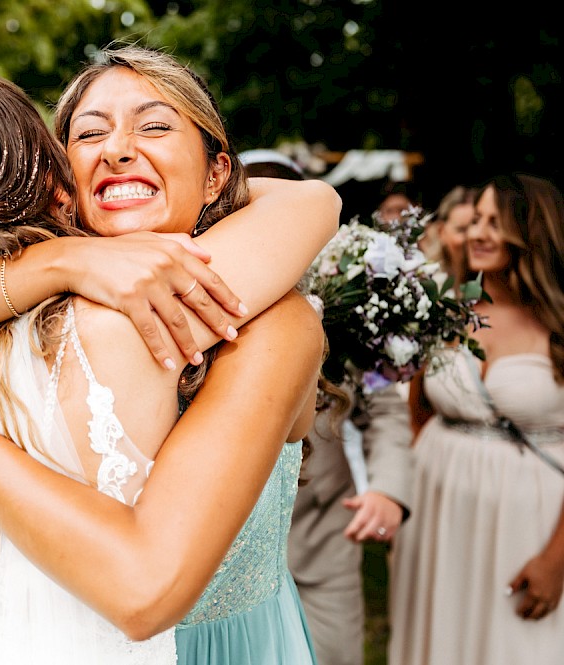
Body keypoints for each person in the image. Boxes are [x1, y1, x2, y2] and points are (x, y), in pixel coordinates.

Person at [0, 45, 342, 664]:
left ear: (217, 173)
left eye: (154, 125)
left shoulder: (269, 323)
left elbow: (308, 201)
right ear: (62, 182)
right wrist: (66, 259)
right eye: (90, 133)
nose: (117, 148)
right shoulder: (19, 313)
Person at [241, 152, 414, 665]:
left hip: (323, 544)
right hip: (225, 556)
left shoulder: (347, 300)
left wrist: (387, 489)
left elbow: (384, 410)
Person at [389, 173, 564, 665]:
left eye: (496, 221)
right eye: (476, 220)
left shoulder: (558, 325)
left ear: (532, 231)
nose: (479, 233)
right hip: (437, 510)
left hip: (530, 518)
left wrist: (556, 561)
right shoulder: (449, 310)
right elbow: (417, 414)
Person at [428, 184, 479, 288]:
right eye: (462, 230)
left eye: (475, 227)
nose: (472, 237)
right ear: (441, 231)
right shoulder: (428, 283)